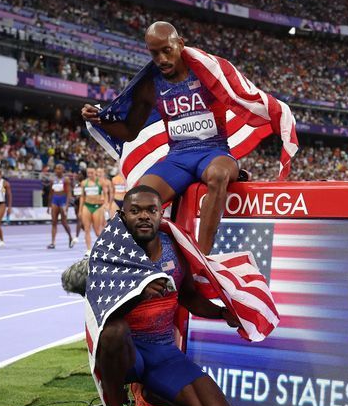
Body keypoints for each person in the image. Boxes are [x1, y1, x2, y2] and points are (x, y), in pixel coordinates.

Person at [76, 185, 240, 406]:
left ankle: (149, 394)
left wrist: (221, 312)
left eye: (152, 210)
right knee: (114, 333)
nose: (144, 216)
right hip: (127, 351)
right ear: (123, 215)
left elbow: (188, 296)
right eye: (135, 210)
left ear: (161, 214)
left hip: (163, 350)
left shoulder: (173, 248)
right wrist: (138, 294)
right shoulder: (110, 252)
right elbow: (100, 314)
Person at [81, 21, 245, 254]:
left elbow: (242, 96)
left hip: (214, 151)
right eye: (154, 53)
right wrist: (100, 120)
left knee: (218, 175)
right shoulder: (150, 85)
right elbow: (129, 131)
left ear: (180, 44)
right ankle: (142, 258)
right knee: (136, 199)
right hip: (178, 157)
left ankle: (203, 260)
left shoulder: (207, 72)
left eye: (166, 50)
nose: (161, 59)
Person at [79, 167, 107, 250]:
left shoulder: (101, 182)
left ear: (95, 172)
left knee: (97, 231)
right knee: (86, 229)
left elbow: (106, 194)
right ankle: (88, 250)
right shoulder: (84, 183)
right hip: (87, 206)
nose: (90, 175)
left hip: (97, 207)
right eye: (88, 173)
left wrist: (105, 204)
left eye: (92, 173)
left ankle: (104, 247)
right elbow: (82, 196)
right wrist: (80, 210)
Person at [47, 164, 74, 249]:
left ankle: (70, 237)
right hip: (55, 200)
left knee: (64, 222)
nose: (58, 170)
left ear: (63, 170)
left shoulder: (66, 180)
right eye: (56, 169)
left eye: (59, 169)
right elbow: (51, 193)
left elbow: (69, 193)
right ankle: (52, 242)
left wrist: (67, 205)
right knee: (54, 222)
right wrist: (48, 206)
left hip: (63, 200)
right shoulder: (52, 180)